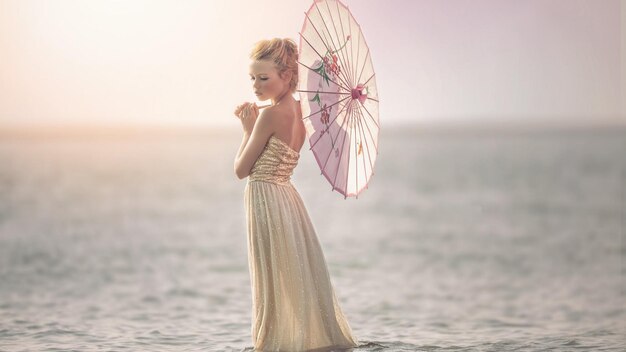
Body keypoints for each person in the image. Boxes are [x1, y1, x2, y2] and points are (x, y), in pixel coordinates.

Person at [233, 38, 359, 351]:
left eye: (264, 78)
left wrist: (247, 128)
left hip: (265, 197)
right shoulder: (302, 112)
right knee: (290, 272)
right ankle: (303, 337)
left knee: (275, 277)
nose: (256, 86)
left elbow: (241, 169)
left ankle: (278, 342)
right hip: (287, 197)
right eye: (253, 78)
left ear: (287, 77)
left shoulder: (268, 116)